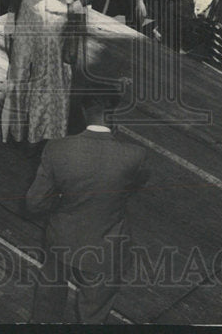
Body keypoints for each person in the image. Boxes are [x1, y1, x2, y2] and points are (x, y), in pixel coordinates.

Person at [25, 89, 150, 324]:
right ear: (113, 116)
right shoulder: (135, 155)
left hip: (62, 238)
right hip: (107, 246)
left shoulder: (57, 148)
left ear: (83, 113)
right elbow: (135, 184)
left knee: (47, 305)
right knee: (93, 313)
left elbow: (34, 203)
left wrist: (62, 203)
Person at [2, 0, 102, 150]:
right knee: (19, 71)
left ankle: (40, 136)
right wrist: (11, 19)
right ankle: (18, 131)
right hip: (27, 12)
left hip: (52, 19)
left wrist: (74, 7)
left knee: (47, 78)